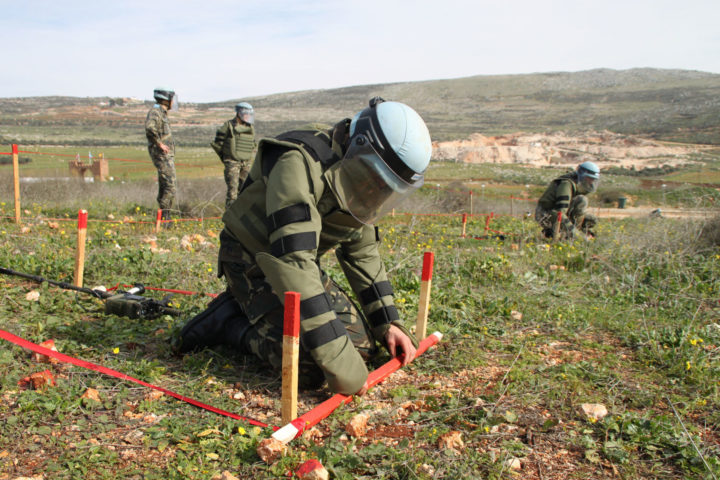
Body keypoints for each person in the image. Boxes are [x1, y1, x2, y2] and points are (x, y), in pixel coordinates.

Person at [176, 97, 432, 396]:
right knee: (311, 367)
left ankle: (250, 311)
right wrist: (340, 366)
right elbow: (294, 260)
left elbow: (362, 252)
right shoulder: (297, 163)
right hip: (250, 260)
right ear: (359, 145)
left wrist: (388, 323)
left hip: (296, 264)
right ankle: (229, 323)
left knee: (362, 347)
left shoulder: (358, 172)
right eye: (377, 178)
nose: (377, 189)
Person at [535, 161, 600, 239]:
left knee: (591, 220)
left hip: (559, 213)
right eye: (589, 178)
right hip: (545, 214)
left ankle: (574, 232)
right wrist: (578, 236)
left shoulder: (577, 183)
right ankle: (562, 234)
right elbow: (560, 213)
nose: (591, 181)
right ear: (582, 175)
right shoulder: (566, 184)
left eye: (593, 179)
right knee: (582, 200)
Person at [211, 102, 258, 207]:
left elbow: (252, 144)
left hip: (246, 163)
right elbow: (217, 143)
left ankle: (243, 213)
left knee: (246, 190)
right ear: (240, 113)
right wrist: (226, 157)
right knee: (232, 192)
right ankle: (230, 214)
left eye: (249, 114)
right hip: (232, 162)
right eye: (246, 113)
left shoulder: (250, 128)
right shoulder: (228, 126)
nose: (248, 116)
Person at [145, 87, 177, 222]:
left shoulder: (161, 112)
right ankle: (165, 216)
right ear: (166, 99)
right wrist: (159, 144)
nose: (173, 102)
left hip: (165, 155)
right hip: (161, 155)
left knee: (165, 185)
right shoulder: (155, 112)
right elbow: (150, 128)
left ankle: (164, 215)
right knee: (170, 185)